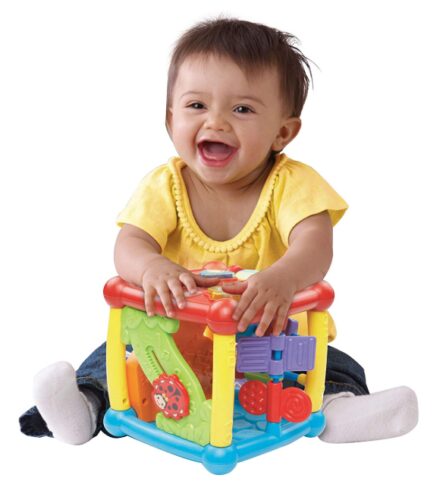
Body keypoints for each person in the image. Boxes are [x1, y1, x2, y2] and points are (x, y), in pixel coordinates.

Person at [19, 17, 418, 446]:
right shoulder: (164, 186)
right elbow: (130, 243)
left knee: (332, 363)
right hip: (177, 346)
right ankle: (85, 407)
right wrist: (152, 267)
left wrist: (282, 279)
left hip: (270, 341)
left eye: (242, 109)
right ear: (171, 119)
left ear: (282, 132)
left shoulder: (291, 184)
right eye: (196, 106)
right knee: (115, 356)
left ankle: (337, 410)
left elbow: (315, 243)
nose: (216, 122)